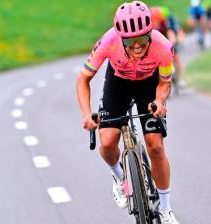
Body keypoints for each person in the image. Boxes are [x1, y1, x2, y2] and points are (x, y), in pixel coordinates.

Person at [76, 1, 179, 223]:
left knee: (156, 146)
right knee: (108, 142)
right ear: (120, 37)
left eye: (142, 39)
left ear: (150, 34)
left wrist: (160, 101)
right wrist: (86, 114)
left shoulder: (163, 45)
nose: (137, 47)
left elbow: (165, 82)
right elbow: (83, 79)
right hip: (118, 84)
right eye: (130, 41)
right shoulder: (108, 41)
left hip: (148, 86)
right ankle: (120, 178)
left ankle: (165, 208)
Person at [150, 6, 186, 90]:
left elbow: (170, 33)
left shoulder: (165, 23)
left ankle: (179, 79)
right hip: (157, 45)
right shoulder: (150, 25)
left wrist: (172, 43)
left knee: (176, 59)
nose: (156, 21)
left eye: (157, 19)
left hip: (167, 42)